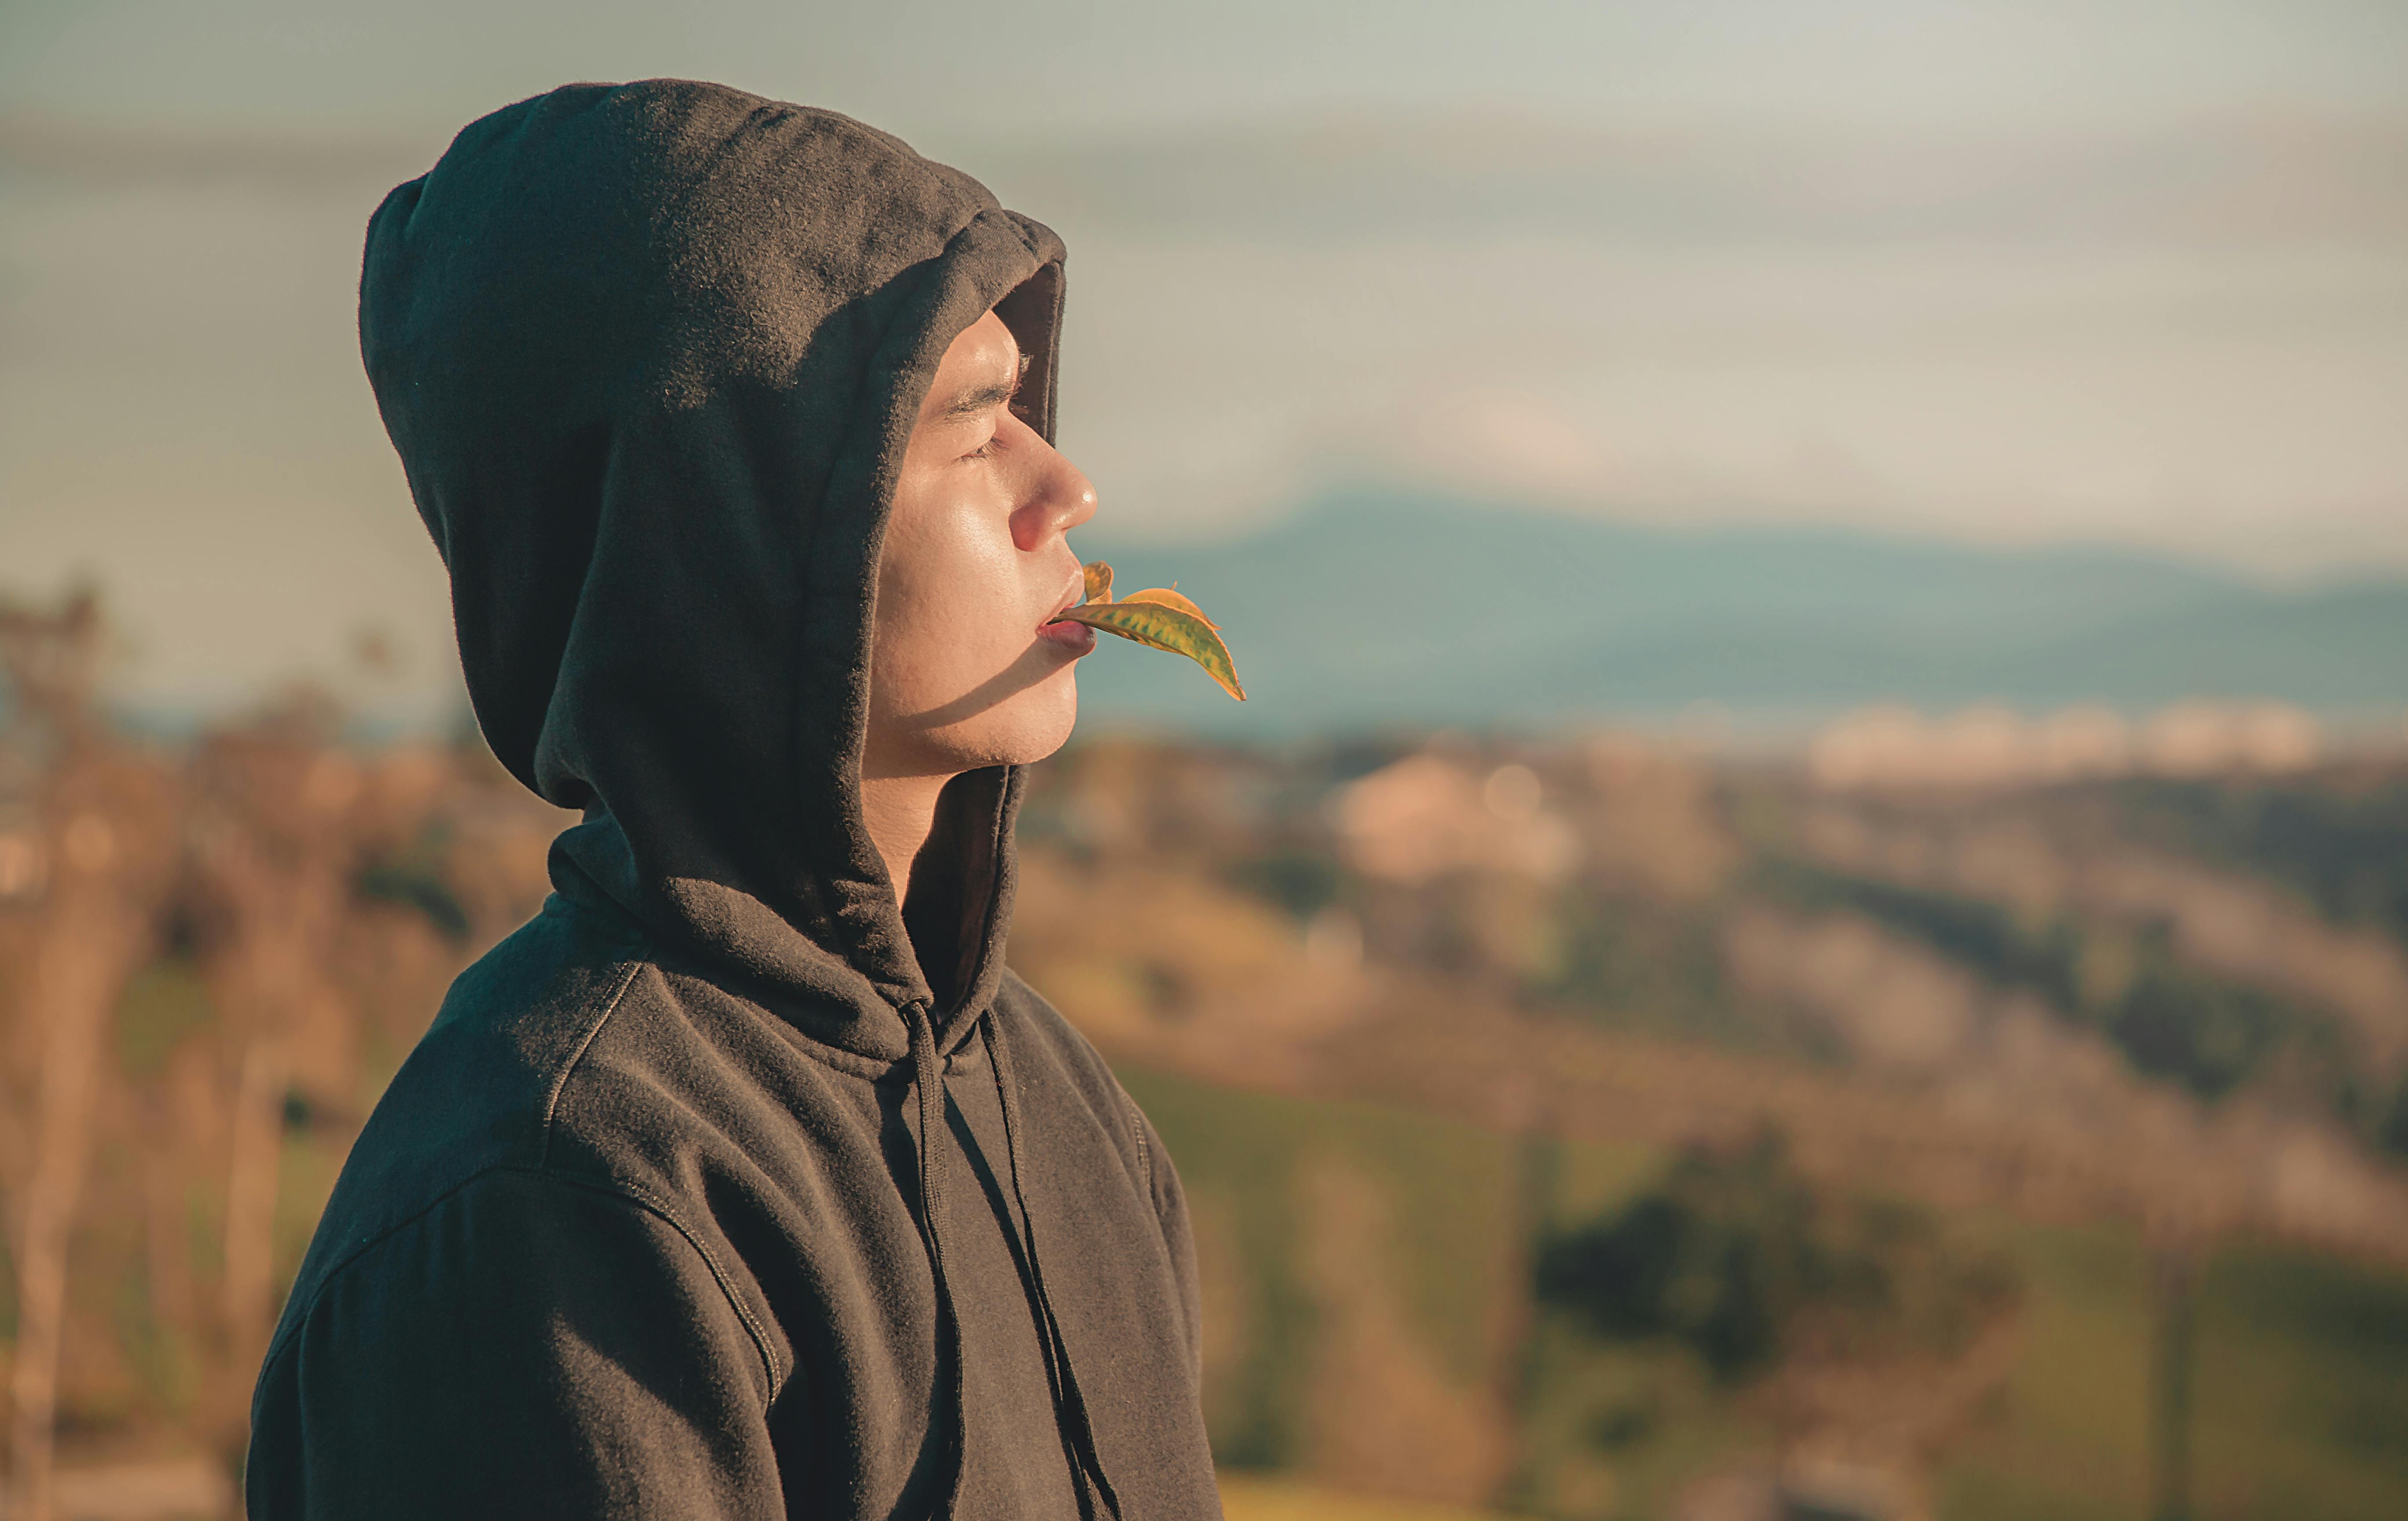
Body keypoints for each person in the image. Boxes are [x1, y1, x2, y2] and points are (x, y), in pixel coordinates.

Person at [245, 79, 1222, 1519]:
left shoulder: (1062, 1109)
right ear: (729, 528)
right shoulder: (563, 1204)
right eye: (974, 421)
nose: (1064, 485)